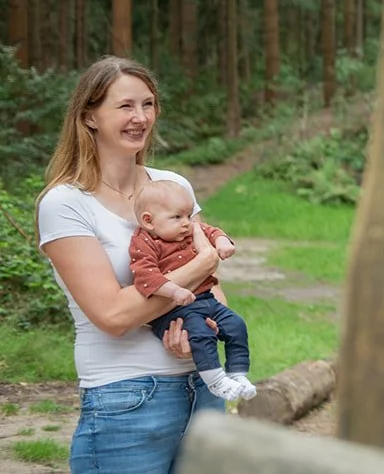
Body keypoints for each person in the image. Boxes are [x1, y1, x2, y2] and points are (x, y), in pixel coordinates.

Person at [36, 57, 235, 473]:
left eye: (148, 104)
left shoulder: (172, 186)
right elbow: (112, 314)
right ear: (89, 115)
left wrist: (209, 321)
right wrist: (203, 263)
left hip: (204, 386)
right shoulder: (66, 203)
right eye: (125, 106)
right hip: (127, 396)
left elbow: (210, 286)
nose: (140, 118)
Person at [129, 181, 255, 402]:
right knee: (200, 334)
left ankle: (238, 373)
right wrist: (174, 292)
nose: (187, 223)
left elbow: (211, 231)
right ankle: (216, 380)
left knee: (236, 325)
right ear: (148, 220)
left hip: (206, 299)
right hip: (173, 310)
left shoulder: (187, 231)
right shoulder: (144, 243)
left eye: (188, 215)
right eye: (177, 217)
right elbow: (145, 276)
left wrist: (223, 242)